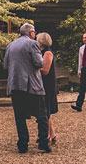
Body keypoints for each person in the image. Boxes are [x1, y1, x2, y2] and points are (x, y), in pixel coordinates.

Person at [4, 24, 51, 153]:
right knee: (42, 114)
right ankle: (43, 142)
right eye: (34, 32)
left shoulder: (10, 45)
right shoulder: (32, 44)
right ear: (31, 33)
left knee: (19, 116)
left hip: (15, 84)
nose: (35, 35)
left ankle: (23, 144)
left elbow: (5, 64)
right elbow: (39, 63)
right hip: (31, 85)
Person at [38, 32, 58, 144]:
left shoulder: (47, 53)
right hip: (43, 84)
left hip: (48, 85)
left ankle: (48, 135)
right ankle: (52, 134)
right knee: (46, 111)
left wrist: (33, 68)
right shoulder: (41, 52)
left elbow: (45, 70)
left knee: (46, 110)